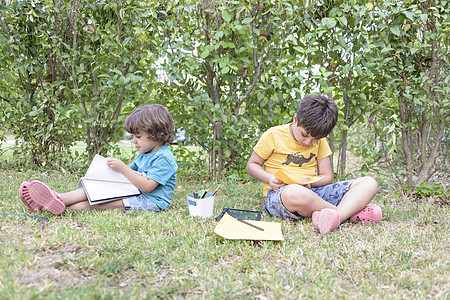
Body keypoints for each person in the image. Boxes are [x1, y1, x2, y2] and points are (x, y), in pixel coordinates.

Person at [246, 94, 381, 234]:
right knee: (295, 192)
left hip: (313, 193)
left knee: (369, 182)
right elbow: (252, 165)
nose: (308, 142)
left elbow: (327, 176)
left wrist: (310, 184)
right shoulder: (274, 135)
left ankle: (333, 216)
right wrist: (270, 179)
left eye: (315, 139)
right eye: (304, 135)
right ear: (295, 119)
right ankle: (346, 213)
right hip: (280, 195)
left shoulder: (321, 142)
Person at [19, 104, 178, 214]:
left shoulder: (164, 158)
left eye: (138, 136)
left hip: (151, 201)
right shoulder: (146, 152)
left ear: (156, 134)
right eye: (133, 136)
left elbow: (148, 186)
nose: (133, 141)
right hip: (136, 192)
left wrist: (122, 168)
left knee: (98, 204)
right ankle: (58, 198)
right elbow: (128, 177)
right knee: (94, 189)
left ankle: (55, 207)